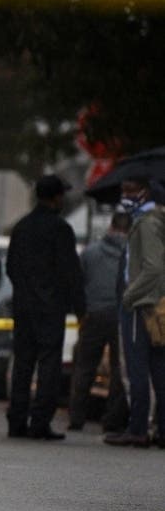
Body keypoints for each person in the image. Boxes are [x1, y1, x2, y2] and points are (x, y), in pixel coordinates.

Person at [5, 175, 85, 440]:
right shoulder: (60, 229)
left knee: (23, 364)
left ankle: (16, 420)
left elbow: (11, 268)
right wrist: (80, 308)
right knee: (49, 364)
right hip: (50, 308)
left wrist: (24, 293)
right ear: (56, 197)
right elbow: (70, 272)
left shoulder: (21, 228)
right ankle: (40, 421)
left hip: (24, 307)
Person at [105, 177, 165, 447]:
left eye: (129, 190)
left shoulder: (147, 223)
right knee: (157, 368)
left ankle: (138, 428)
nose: (124, 196)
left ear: (145, 192)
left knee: (138, 368)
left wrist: (129, 295)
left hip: (141, 304)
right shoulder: (154, 220)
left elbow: (153, 267)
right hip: (154, 303)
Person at [68, 211, 130, 433]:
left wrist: (81, 313)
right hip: (122, 314)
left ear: (111, 226)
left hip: (94, 314)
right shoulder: (132, 253)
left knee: (84, 367)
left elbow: (77, 282)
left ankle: (76, 417)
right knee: (118, 369)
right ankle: (112, 420)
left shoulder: (91, 252)